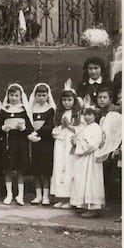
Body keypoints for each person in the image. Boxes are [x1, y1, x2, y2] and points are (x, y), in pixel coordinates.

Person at [0, 83, 32, 206]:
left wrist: (23, 128)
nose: (14, 98)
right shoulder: (4, 111)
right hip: (7, 143)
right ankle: (9, 194)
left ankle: (20, 195)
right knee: (8, 169)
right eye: (12, 95)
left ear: (21, 96)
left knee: (20, 170)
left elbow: (30, 130)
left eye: (16, 95)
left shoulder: (24, 110)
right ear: (8, 96)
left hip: (21, 143)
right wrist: (3, 128)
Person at [70, 100, 105, 218]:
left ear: (95, 115)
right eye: (85, 114)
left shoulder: (96, 128)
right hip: (83, 158)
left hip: (91, 157)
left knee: (90, 180)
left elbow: (92, 144)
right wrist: (75, 142)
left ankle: (93, 207)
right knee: (82, 180)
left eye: (90, 114)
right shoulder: (85, 127)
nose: (87, 117)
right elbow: (80, 139)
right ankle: (84, 204)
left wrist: (78, 144)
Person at [50, 79, 81, 209]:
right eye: (64, 100)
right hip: (60, 143)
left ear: (74, 101)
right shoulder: (59, 113)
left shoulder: (78, 114)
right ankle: (61, 197)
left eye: (69, 100)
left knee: (69, 168)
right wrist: (60, 129)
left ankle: (70, 198)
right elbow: (54, 131)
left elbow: (81, 129)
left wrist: (70, 127)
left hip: (70, 143)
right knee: (59, 167)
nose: (66, 103)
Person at [27, 83, 56, 205]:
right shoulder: (31, 109)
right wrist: (30, 134)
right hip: (34, 143)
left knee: (45, 170)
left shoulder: (51, 110)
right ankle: (38, 195)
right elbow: (28, 122)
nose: (41, 98)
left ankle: (46, 196)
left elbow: (49, 126)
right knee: (36, 170)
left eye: (44, 95)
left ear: (47, 95)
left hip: (46, 142)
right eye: (39, 95)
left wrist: (38, 133)